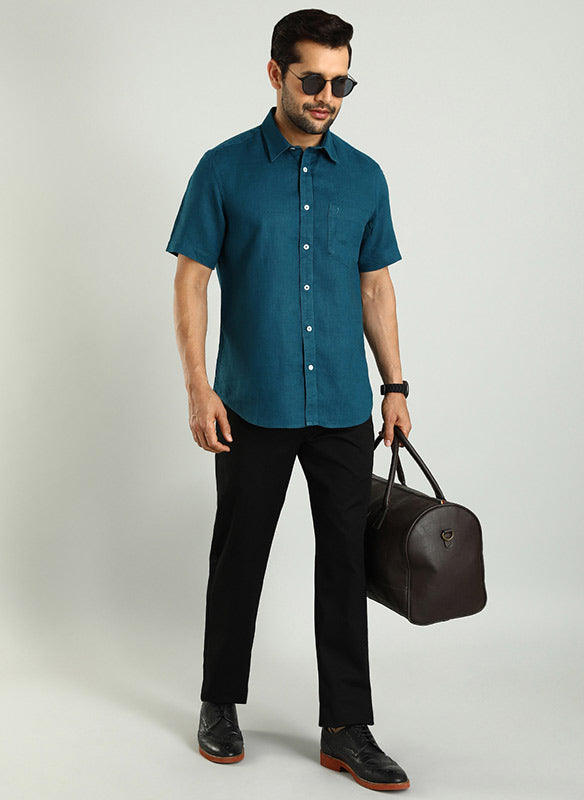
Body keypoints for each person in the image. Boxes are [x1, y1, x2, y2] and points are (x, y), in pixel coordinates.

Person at [166, 8, 412, 793]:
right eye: (313, 80)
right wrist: (198, 386)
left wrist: (395, 386)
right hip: (251, 404)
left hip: (342, 405)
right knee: (240, 556)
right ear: (276, 74)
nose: (327, 97)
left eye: (342, 83)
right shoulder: (224, 169)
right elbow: (191, 281)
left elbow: (375, 287)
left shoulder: (365, 176)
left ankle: (346, 727)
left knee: (345, 563)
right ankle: (219, 701)